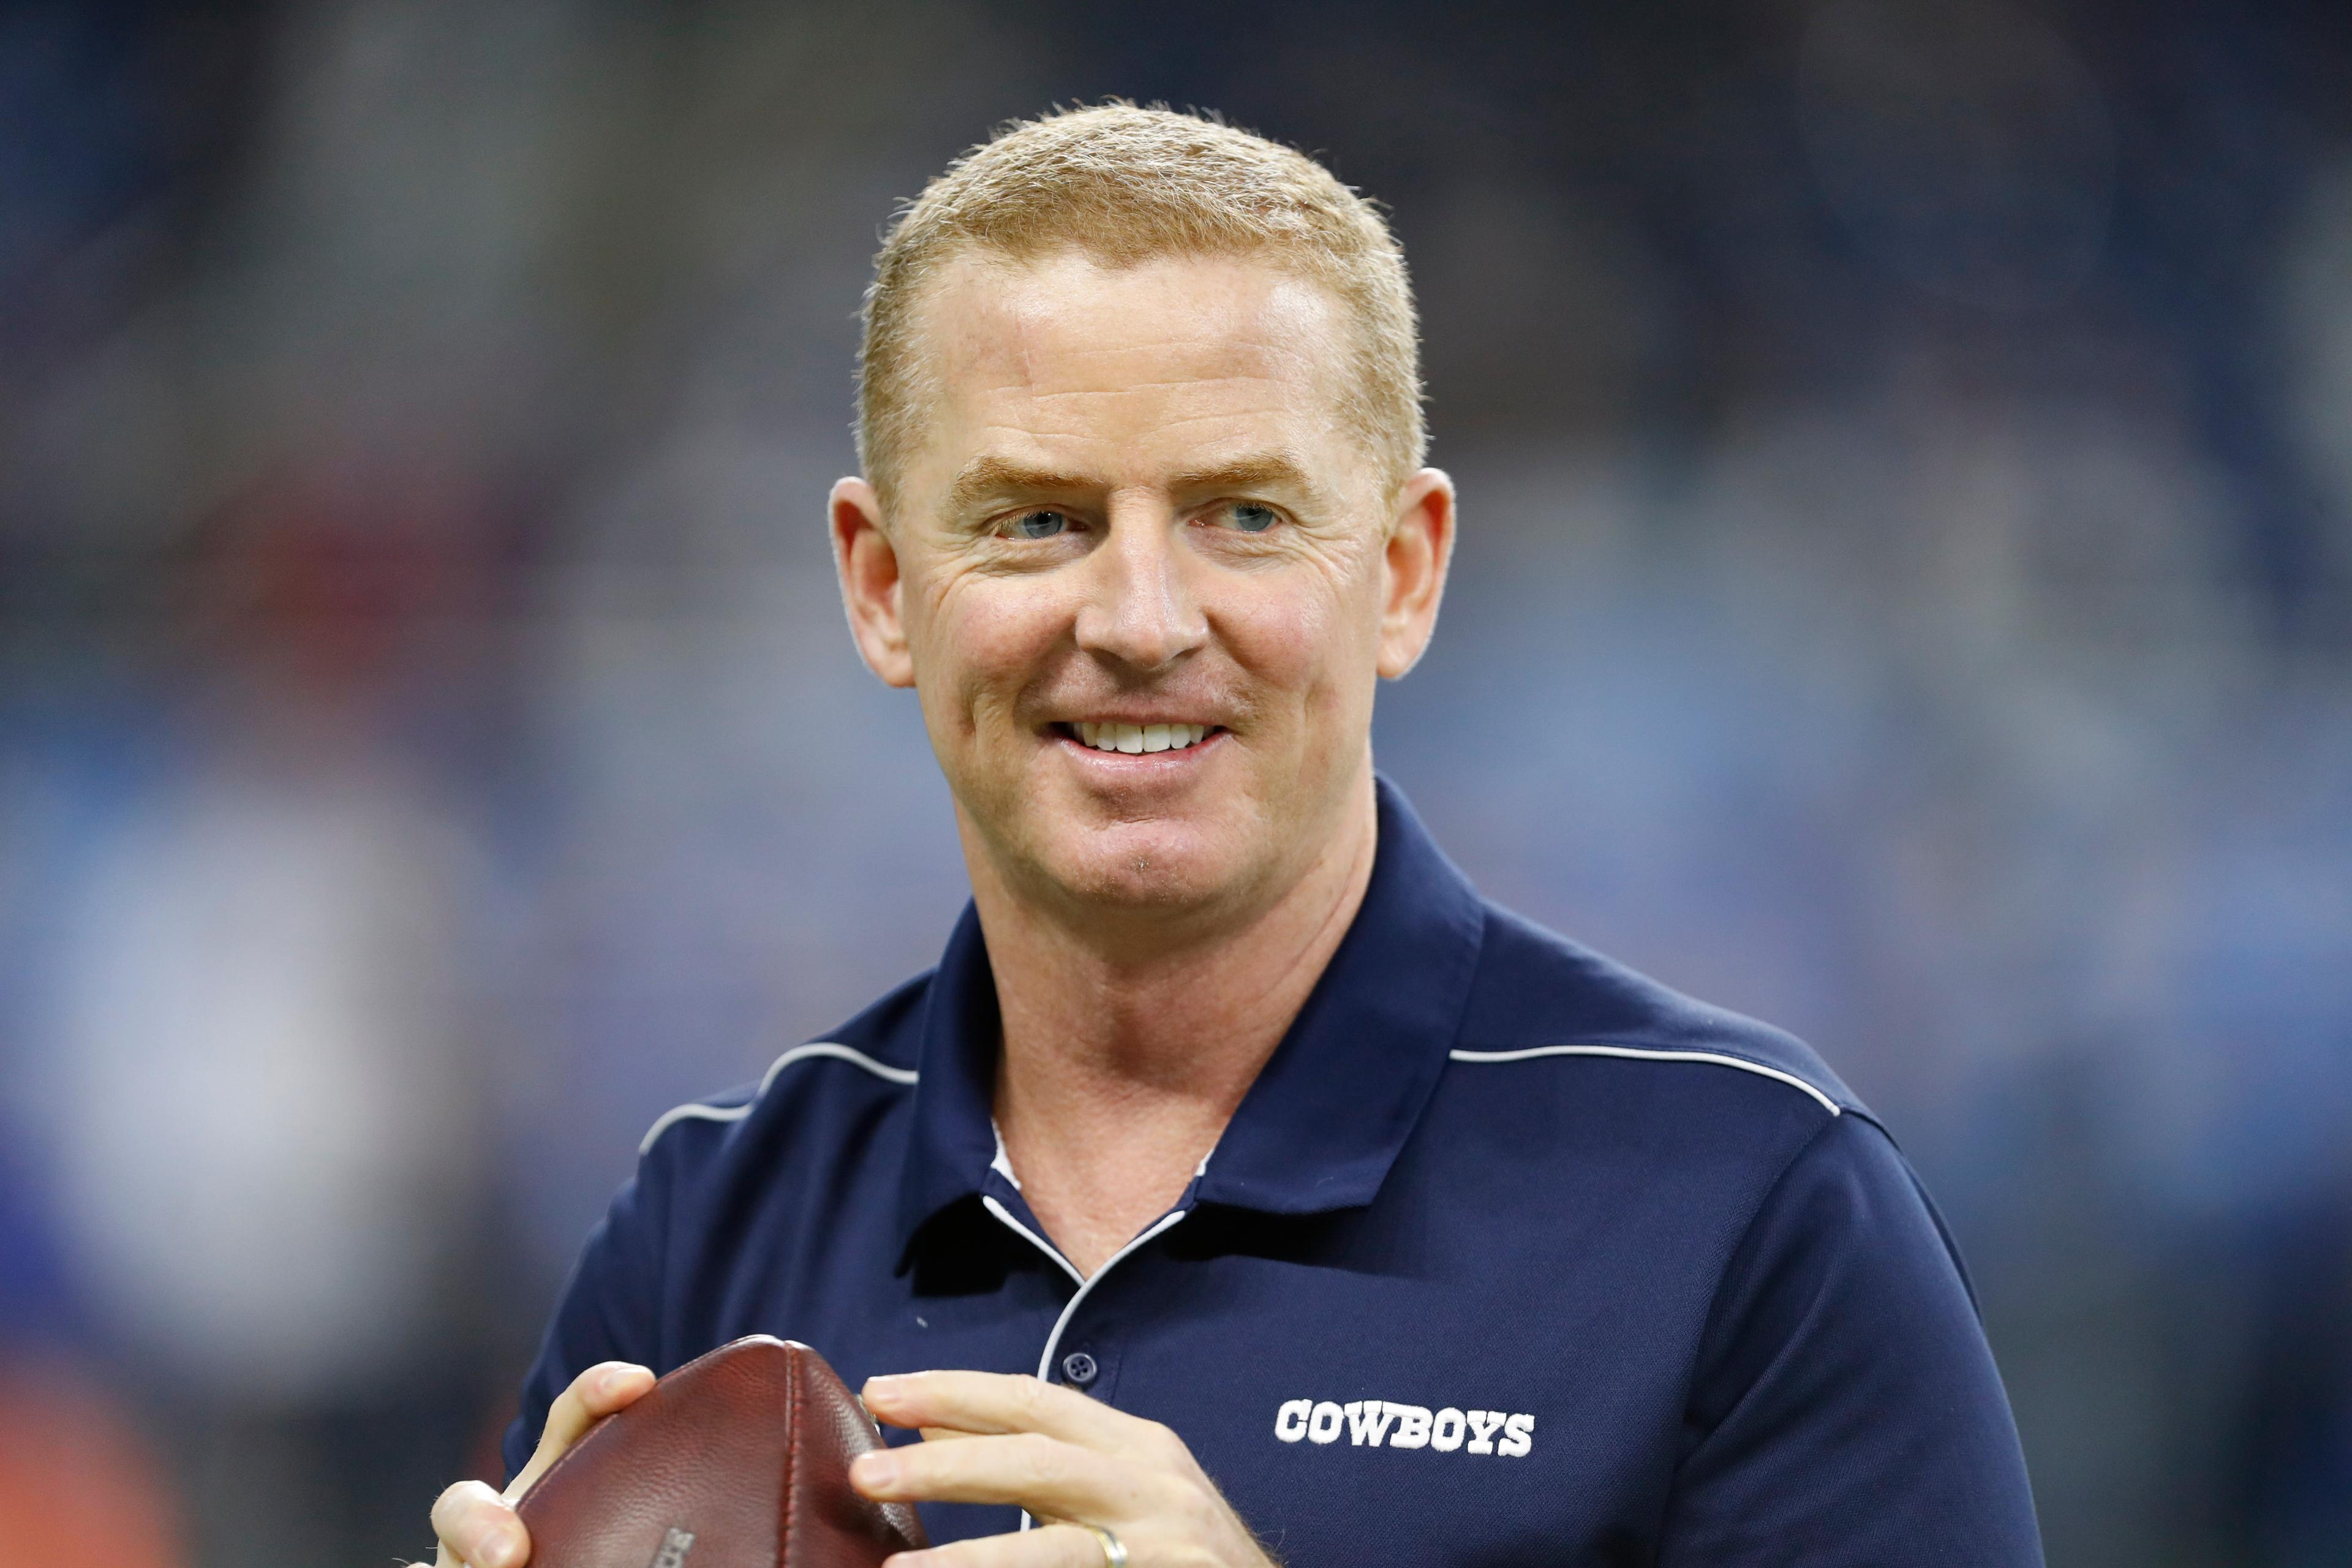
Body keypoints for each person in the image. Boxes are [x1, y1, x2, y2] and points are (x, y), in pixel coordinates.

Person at [428, 105, 2045, 1567]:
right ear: (878, 585)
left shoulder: (1750, 1205)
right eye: (1038, 521)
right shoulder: (711, 1220)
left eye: (1244, 517)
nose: (1140, 619)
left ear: (1403, 574)